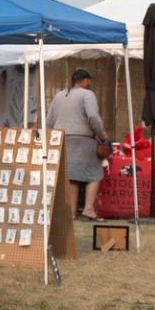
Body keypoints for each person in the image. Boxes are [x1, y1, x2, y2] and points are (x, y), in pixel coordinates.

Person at [46, 67, 108, 219]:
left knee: (72, 175)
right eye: (89, 80)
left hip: (61, 139)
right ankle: (88, 209)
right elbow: (93, 116)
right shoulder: (87, 94)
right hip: (83, 140)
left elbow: (49, 121)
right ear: (85, 81)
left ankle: (71, 212)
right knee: (95, 173)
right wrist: (102, 136)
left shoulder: (59, 95)